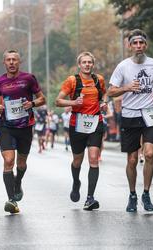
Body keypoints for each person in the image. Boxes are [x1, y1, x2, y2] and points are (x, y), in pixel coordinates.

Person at [107, 29, 153, 213]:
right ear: (129, 46)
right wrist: (127, 87)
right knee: (132, 160)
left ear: (146, 45)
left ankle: (146, 193)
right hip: (130, 115)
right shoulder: (123, 66)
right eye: (135, 43)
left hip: (150, 113)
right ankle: (132, 194)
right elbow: (110, 91)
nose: (138, 46)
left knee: (148, 154)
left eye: (141, 43)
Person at [0, 49, 46, 214]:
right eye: (8, 60)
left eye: (14, 60)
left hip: (25, 126)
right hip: (6, 126)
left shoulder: (28, 78)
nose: (11, 62)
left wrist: (32, 104)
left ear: (19, 62)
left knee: (21, 163)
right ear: (4, 63)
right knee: (9, 160)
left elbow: (42, 98)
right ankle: (11, 200)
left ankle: (18, 184)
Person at [56, 51, 107, 211]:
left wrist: (104, 103)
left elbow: (104, 94)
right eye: (84, 62)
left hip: (96, 122)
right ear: (79, 64)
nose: (87, 65)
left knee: (93, 158)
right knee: (77, 160)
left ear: (93, 64)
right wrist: (73, 102)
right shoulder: (72, 80)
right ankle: (76, 181)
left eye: (89, 62)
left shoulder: (99, 79)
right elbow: (58, 101)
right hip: (77, 124)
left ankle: (90, 198)